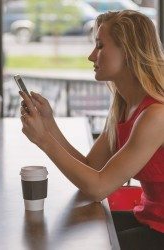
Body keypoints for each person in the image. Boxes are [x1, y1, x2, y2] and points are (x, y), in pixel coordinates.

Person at [19, 10, 164, 250]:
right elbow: (92, 168)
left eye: (99, 46)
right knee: (67, 231)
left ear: (127, 52)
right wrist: (49, 125)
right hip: (148, 221)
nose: (91, 56)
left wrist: (44, 140)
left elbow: (99, 188)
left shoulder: (156, 116)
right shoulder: (125, 106)